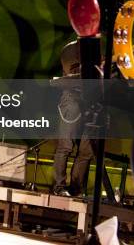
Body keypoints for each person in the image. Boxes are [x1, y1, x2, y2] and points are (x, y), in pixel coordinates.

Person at [52, 40, 93, 197]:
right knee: (66, 146)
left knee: (86, 151)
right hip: (73, 98)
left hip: (93, 101)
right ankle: (59, 186)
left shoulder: (100, 47)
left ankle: (75, 189)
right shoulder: (70, 48)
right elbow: (73, 70)